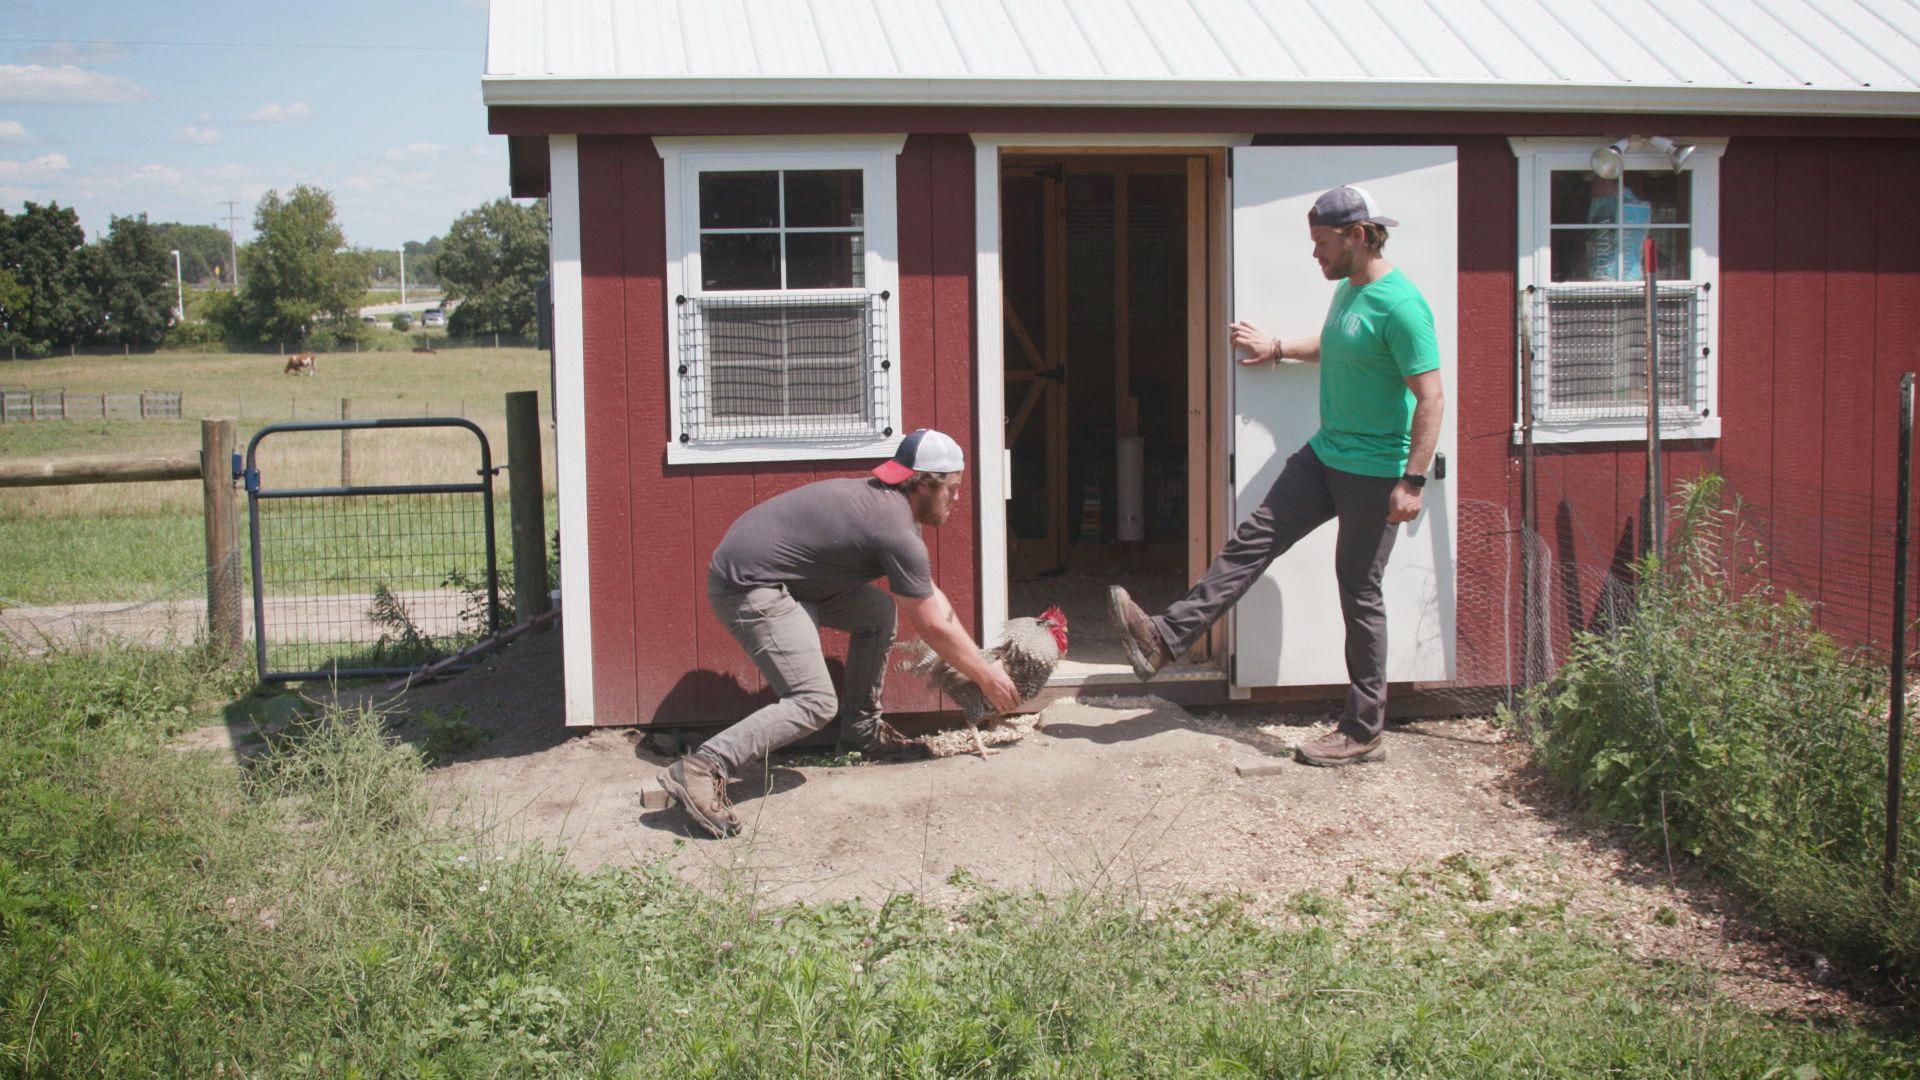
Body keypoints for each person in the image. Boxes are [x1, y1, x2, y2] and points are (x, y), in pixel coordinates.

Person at [1107, 184, 1444, 767]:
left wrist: (1412, 482)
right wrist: (1280, 346)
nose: (1315, 253)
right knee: (1254, 540)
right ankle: (1165, 638)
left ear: (1357, 236)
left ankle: (1363, 730)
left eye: (1323, 243)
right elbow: (1340, 347)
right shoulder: (1349, 290)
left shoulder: (1402, 306)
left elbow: (1432, 396)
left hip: (1375, 472)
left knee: (1358, 592)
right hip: (1327, 454)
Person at [661, 428, 1023, 837]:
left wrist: (980, 661)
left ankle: (861, 734)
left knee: (877, 613)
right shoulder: (893, 527)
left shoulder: (895, 510)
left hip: (786, 578)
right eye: (952, 488)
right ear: (923, 484)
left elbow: (931, 599)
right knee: (814, 702)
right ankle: (703, 766)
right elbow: (932, 624)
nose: (957, 498)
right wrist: (985, 675)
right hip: (748, 585)